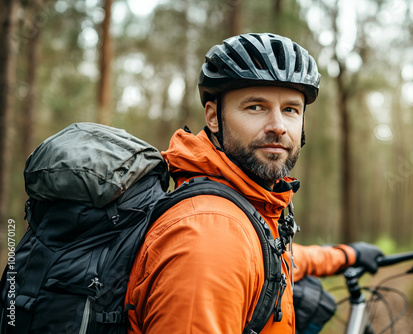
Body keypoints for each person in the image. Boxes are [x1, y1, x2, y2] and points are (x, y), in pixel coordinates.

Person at [125, 33, 383, 333]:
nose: (278, 127)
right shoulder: (210, 234)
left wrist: (346, 255)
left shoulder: (244, 208)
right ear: (213, 117)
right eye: (255, 107)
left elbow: (277, 256)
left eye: (290, 109)